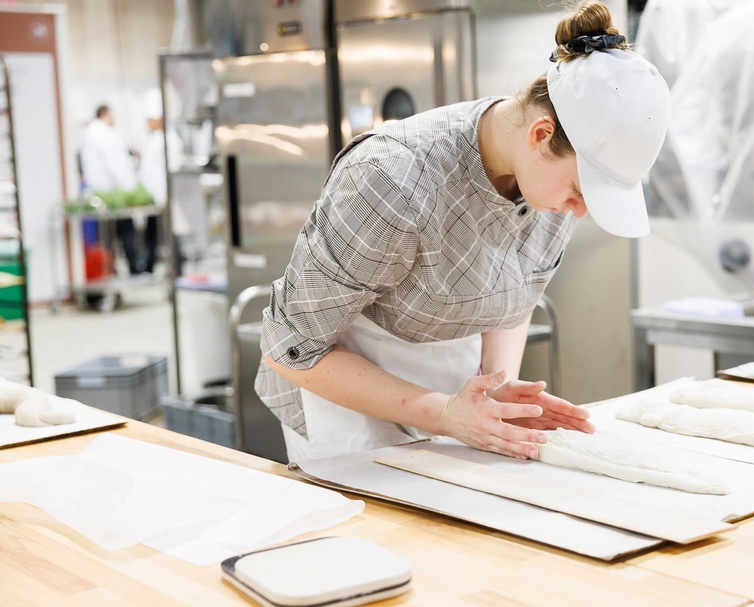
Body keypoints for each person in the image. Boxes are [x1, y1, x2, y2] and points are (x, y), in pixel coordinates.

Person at [256, 0, 671, 463]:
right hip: (349, 404)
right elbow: (289, 347)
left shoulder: (546, 186)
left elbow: (517, 294)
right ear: (539, 134)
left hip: (457, 402)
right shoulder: (391, 180)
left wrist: (493, 393)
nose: (579, 212)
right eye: (579, 190)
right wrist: (443, 413)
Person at [80, 104, 141, 274]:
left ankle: (109, 272)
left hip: (99, 194)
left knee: (106, 239)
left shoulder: (91, 133)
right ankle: (134, 270)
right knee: (126, 232)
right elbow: (117, 165)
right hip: (112, 194)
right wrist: (130, 191)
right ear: (106, 114)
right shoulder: (104, 134)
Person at [138, 89, 187, 275]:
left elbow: (171, 171)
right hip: (152, 196)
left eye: (150, 119)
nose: (148, 123)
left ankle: (178, 265)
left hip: (165, 195)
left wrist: (165, 197)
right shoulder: (153, 139)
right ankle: (149, 265)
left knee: (171, 233)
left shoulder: (170, 139)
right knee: (151, 233)